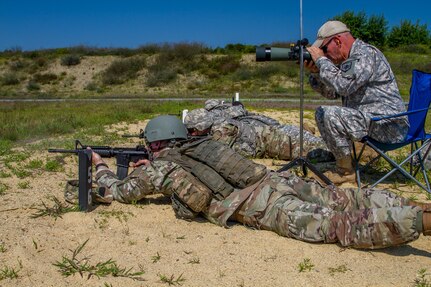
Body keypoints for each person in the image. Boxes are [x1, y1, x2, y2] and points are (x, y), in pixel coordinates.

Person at [89, 115, 431, 249]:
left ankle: (422, 221)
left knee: (337, 226)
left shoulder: (158, 168)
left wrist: (100, 165)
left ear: (155, 142)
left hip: (262, 206)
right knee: (347, 199)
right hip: (275, 181)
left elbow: (117, 192)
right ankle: (418, 208)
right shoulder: (205, 143)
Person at [305, 21, 409, 184]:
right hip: (373, 122)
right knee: (322, 112)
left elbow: (342, 85)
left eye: (324, 49)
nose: (325, 54)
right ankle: (344, 162)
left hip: (389, 125)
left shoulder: (364, 54)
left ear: (338, 41)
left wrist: (321, 61)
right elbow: (334, 92)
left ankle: (345, 173)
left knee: (331, 114)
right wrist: (316, 72)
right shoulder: (351, 60)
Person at [184, 106, 333, 162]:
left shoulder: (222, 130)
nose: (192, 133)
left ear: (201, 126)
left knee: (316, 153)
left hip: (270, 141)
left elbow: (216, 154)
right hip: (267, 136)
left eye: (192, 130)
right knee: (309, 144)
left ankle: (345, 152)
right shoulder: (213, 126)